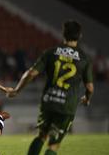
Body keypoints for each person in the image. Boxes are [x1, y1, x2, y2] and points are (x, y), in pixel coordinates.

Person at [7, 20, 94, 155]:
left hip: (49, 101)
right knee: (54, 144)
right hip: (67, 105)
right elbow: (90, 87)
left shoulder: (51, 52)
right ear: (80, 35)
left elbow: (31, 73)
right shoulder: (84, 58)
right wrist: (87, 99)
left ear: (63, 34)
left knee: (42, 135)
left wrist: (17, 90)